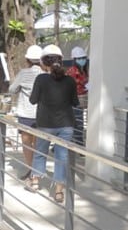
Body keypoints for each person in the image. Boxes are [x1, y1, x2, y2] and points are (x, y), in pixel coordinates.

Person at [27, 44, 78, 203]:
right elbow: (75, 102)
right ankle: (58, 192)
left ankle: (35, 182)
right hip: (66, 124)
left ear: (43, 62)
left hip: (45, 123)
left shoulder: (41, 79)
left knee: (40, 151)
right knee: (61, 156)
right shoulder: (70, 80)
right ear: (61, 61)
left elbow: (33, 100)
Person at [8, 45, 44, 180]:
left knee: (26, 143)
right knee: (37, 144)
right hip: (41, 114)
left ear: (28, 59)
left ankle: (31, 169)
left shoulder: (24, 73)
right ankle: (36, 174)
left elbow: (12, 89)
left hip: (25, 114)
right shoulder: (44, 74)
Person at [66, 46, 88, 146]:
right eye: (79, 58)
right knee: (78, 124)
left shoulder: (83, 70)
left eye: (83, 58)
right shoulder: (72, 71)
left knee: (77, 123)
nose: (82, 60)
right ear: (74, 60)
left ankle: (76, 143)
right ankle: (79, 145)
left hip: (81, 100)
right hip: (74, 101)